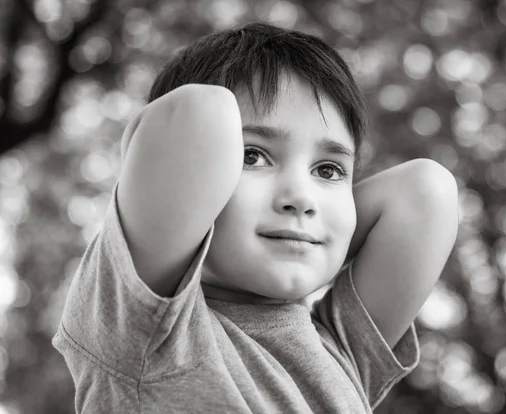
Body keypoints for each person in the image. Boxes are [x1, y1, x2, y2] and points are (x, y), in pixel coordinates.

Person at [52, 22, 458, 413]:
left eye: (328, 170)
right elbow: (198, 114)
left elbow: (427, 192)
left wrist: (317, 237)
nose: (301, 198)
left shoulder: (340, 352)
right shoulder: (141, 327)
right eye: (252, 155)